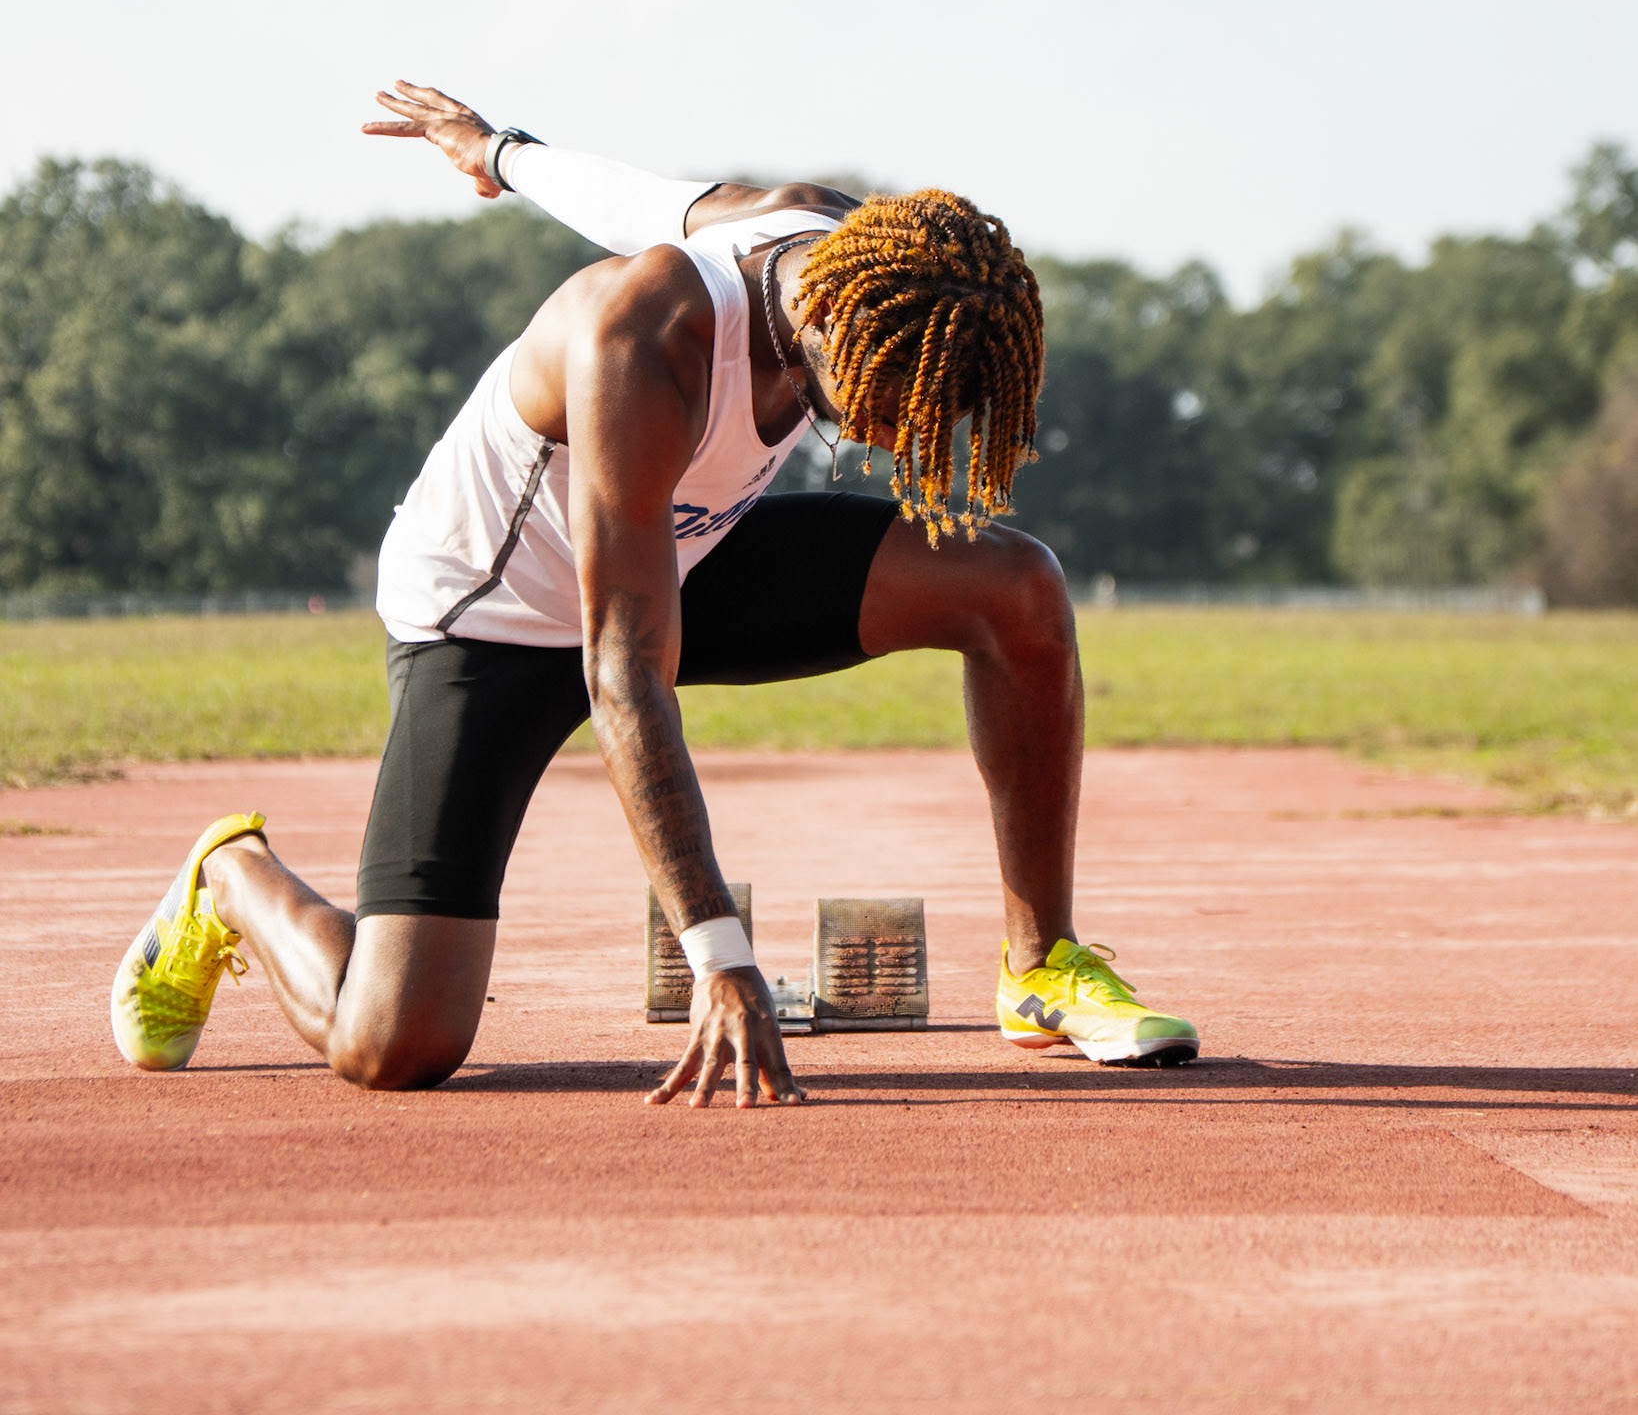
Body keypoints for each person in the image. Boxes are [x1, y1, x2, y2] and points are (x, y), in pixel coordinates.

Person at [111, 83, 1198, 1106]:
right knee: (396, 1041)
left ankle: (1041, 963)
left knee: (1015, 584)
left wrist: (499, 151)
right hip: (495, 615)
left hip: (682, 550)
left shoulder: (841, 246)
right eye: (883, 401)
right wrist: (720, 954)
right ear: (830, 327)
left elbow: (636, 198)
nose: (892, 434)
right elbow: (624, 670)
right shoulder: (642, 343)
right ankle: (231, 879)